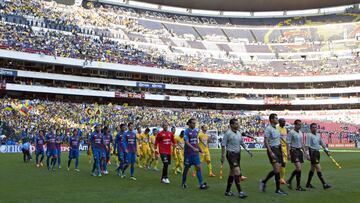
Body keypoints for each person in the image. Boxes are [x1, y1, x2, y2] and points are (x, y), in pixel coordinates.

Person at [221, 118, 253, 198]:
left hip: (238, 154)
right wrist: (222, 156)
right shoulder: (228, 133)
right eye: (236, 124)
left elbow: (242, 143)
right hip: (231, 154)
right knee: (237, 172)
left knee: (232, 173)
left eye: (238, 124)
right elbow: (223, 144)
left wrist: (248, 150)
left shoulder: (239, 133)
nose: (238, 125)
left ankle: (227, 192)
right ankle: (240, 192)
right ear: (231, 125)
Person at [259, 113, 287, 195]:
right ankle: (278, 190)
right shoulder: (268, 129)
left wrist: (281, 150)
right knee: (277, 170)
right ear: (272, 120)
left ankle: (264, 182)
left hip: (278, 149)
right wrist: (270, 152)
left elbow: (278, 140)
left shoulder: (276, 128)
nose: (277, 119)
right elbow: (266, 141)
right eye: (276, 118)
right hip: (273, 149)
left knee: (277, 169)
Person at [181, 118, 208, 190]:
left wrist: (200, 150)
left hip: (195, 154)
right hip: (188, 154)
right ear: (189, 124)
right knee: (186, 169)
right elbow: (186, 142)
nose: (194, 124)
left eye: (194, 123)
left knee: (198, 167)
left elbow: (196, 142)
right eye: (192, 123)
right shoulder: (186, 131)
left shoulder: (196, 131)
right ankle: (183, 183)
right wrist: (193, 148)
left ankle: (201, 184)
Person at [305, 123, 332, 190]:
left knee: (312, 169)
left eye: (315, 127)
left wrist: (327, 150)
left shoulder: (318, 135)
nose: (315, 128)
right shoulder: (309, 135)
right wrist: (307, 154)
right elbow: (307, 146)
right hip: (312, 152)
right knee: (318, 168)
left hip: (317, 153)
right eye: (313, 127)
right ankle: (324, 184)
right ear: (310, 128)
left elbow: (322, 143)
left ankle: (308, 184)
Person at [286, 119, 307, 191]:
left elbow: (302, 144)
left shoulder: (301, 132)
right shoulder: (291, 132)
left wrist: (305, 152)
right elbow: (288, 143)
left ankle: (289, 180)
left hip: (299, 151)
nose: (300, 126)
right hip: (293, 151)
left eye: (300, 124)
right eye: (298, 124)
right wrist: (288, 153)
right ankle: (298, 186)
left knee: (299, 168)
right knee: (298, 168)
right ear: (295, 125)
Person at [277, 118, 288, 184]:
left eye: (285, 121)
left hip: (285, 148)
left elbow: (285, 139)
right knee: (281, 164)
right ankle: (280, 178)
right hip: (279, 147)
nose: (284, 122)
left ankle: (281, 179)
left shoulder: (285, 129)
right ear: (279, 122)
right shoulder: (277, 128)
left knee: (284, 164)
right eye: (283, 121)